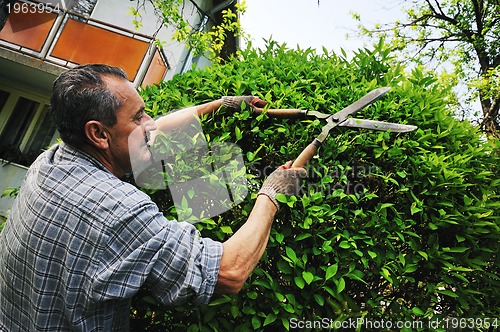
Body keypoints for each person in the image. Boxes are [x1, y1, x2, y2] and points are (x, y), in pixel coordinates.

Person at [0, 64, 306, 331]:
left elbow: (151, 130)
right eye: (138, 117)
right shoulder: (120, 210)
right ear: (99, 134)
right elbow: (229, 271)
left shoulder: (51, 161)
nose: (150, 123)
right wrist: (272, 192)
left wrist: (219, 105)